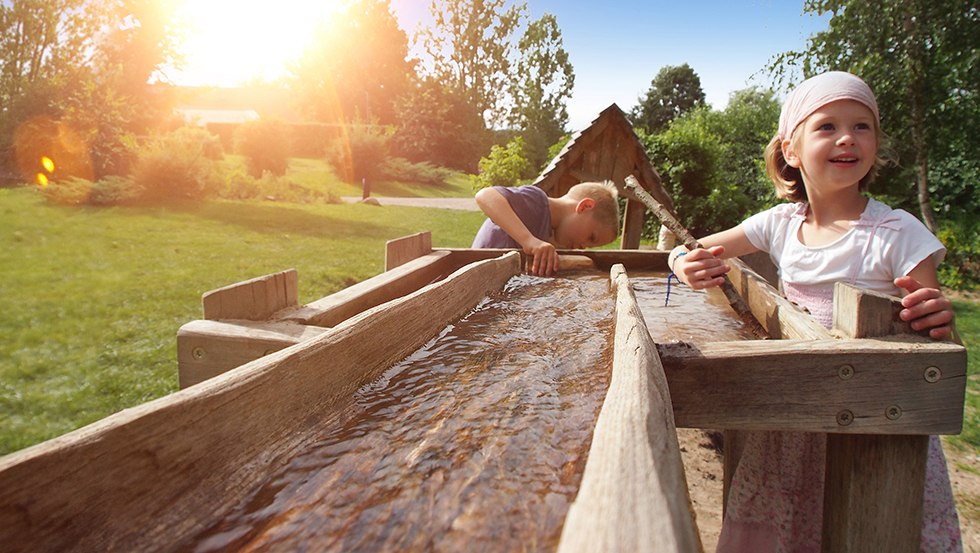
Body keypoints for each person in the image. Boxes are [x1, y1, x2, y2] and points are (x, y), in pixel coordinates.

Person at [668, 71, 961, 552]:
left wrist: (936, 319)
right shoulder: (781, 224)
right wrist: (684, 263)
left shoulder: (896, 232)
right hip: (796, 416)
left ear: (875, 145)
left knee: (868, 528)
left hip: (875, 427)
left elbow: (937, 343)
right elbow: (690, 249)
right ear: (791, 150)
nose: (847, 137)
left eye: (862, 126)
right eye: (827, 126)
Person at [472, 181, 620, 276]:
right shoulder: (537, 203)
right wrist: (529, 241)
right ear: (585, 206)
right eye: (591, 237)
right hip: (475, 273)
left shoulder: (546, 232)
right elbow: (485, 195)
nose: (583, 246)